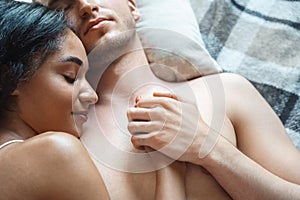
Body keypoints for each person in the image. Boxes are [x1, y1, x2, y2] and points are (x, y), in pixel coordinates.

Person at [35, 0, 300, 199]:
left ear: (132, 6)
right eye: (65, 3)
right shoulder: (64, 135)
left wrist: (210, 149)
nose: (86, 5)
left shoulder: (230, 91)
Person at [0, 1, 110, 199]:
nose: (92, 96)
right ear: (9, 79)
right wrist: (167, 170)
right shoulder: (56, 152)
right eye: (70, 77)